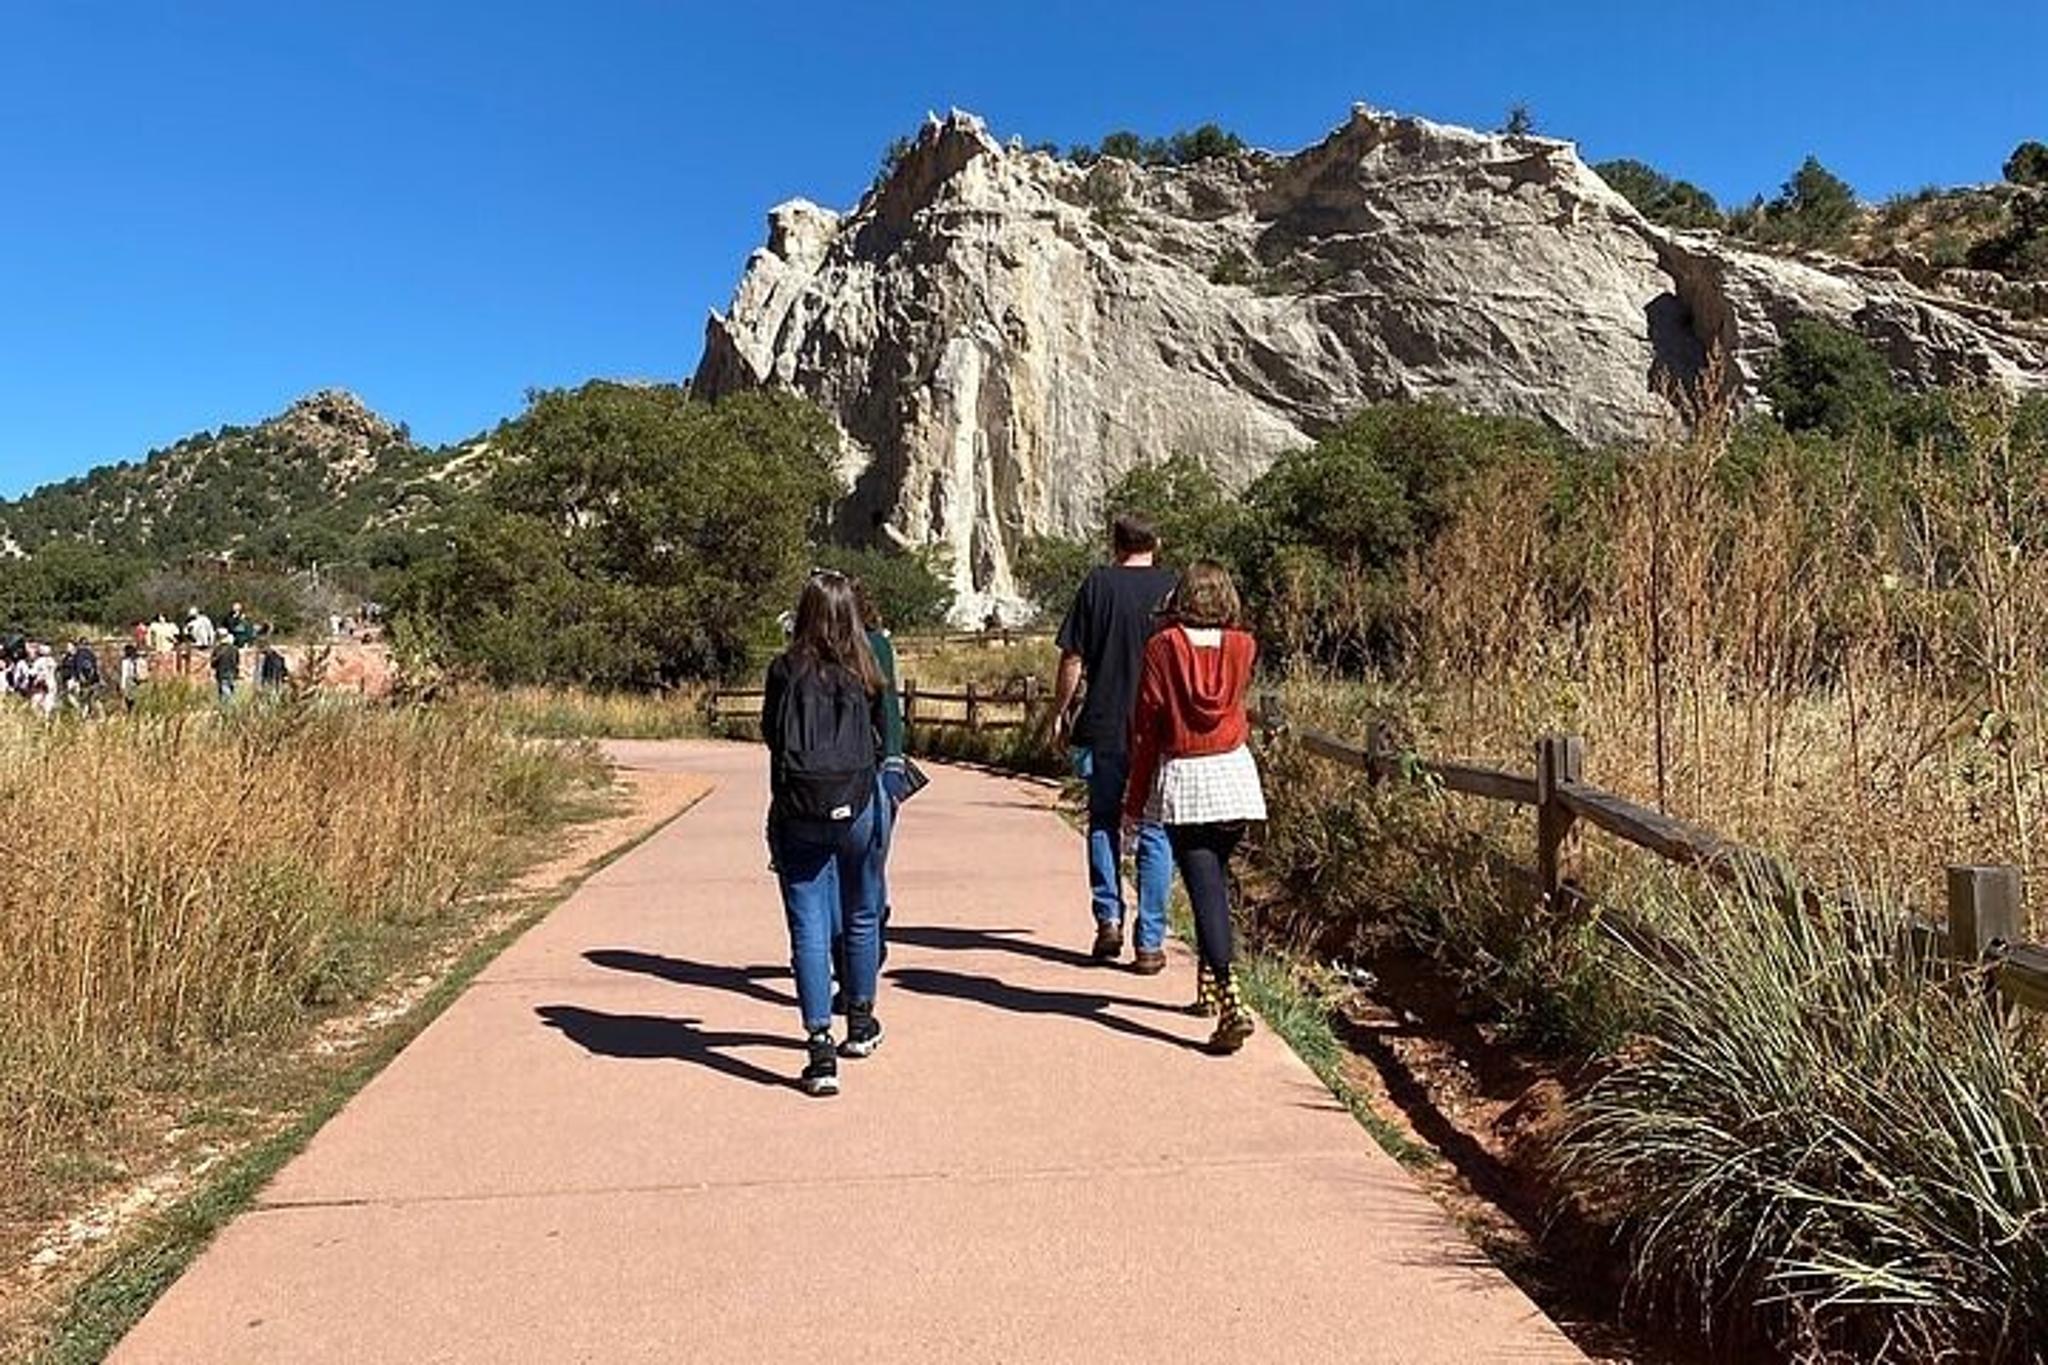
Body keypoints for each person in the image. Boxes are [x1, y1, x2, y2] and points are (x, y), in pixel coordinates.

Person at [1123, 561, 1267, 1054]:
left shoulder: (1162, 647)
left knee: (1205, 889)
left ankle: (1230, 999)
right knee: (1215, 882)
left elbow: (1148, 729)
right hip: (1235, 777)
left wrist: (1134, 800)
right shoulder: (1243, 645)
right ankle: (1208, 987)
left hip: (1187, 778)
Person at [761, 570, 890, 1097]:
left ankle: (819, 1047)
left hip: (799, 809)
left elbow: (772, 736)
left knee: (808, 925)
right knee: (861, 912)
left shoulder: (783, 670)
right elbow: (883, 738)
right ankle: (860, 1022)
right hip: (857, 804)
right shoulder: (865, 668)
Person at [1052, 512, 1177, 970]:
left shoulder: (1098, 584)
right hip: (1159, 728)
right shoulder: (1173, 589)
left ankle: (1108, 917)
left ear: (1115, 544)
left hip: (1105, 721)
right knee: (1155, 827)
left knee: (1104, 819)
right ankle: (1150, 940)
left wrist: (1060, 711)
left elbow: (1073, 658)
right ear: (1156, 542)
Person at [211, 634, 241, 702]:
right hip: (232, 672)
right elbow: (237, 661)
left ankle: (227, 706)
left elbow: (213, 664)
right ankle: (230, 705)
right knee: (230, 690)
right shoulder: (235, 649)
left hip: (221, 672)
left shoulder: (218, 649)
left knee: (224, 692)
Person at [119, 643, 147, 709]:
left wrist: (122, 686)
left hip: (131, 681)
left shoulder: (126, 661)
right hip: (138, 681)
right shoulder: (140, 660)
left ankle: (132, 710)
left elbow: (125, 674)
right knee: (136, 698)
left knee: (130, 699)